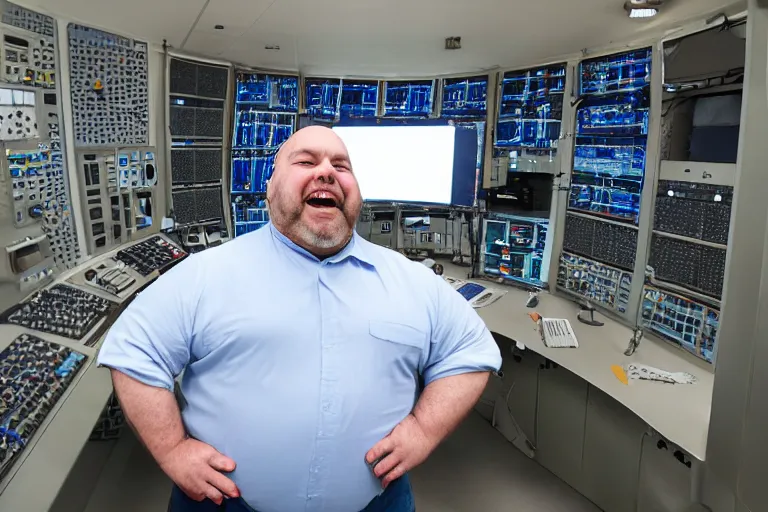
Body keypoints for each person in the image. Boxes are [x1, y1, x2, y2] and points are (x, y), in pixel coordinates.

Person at [97, 126, 502, 512]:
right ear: (270, 189)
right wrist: (172, 449)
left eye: (341, 166)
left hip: (379, 502)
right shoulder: (206, 274)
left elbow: (470, 353)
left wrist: (425, 429)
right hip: (222, 505)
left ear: (357, 194)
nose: (326, 171)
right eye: (306, 162)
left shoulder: (413, 283)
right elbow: (133, 351)